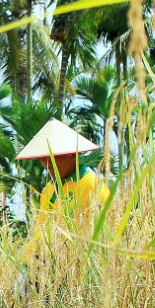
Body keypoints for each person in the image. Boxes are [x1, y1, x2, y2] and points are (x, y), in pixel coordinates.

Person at [16, 119, 111, 294]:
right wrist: (26, 264)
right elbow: (40, 231)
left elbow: (103, 235)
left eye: (55, 156)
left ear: (73, 154)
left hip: (77, 273)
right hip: (44, 269)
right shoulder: (50, 189)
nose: (49, 163)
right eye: (44, 157)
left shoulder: (92, 185)